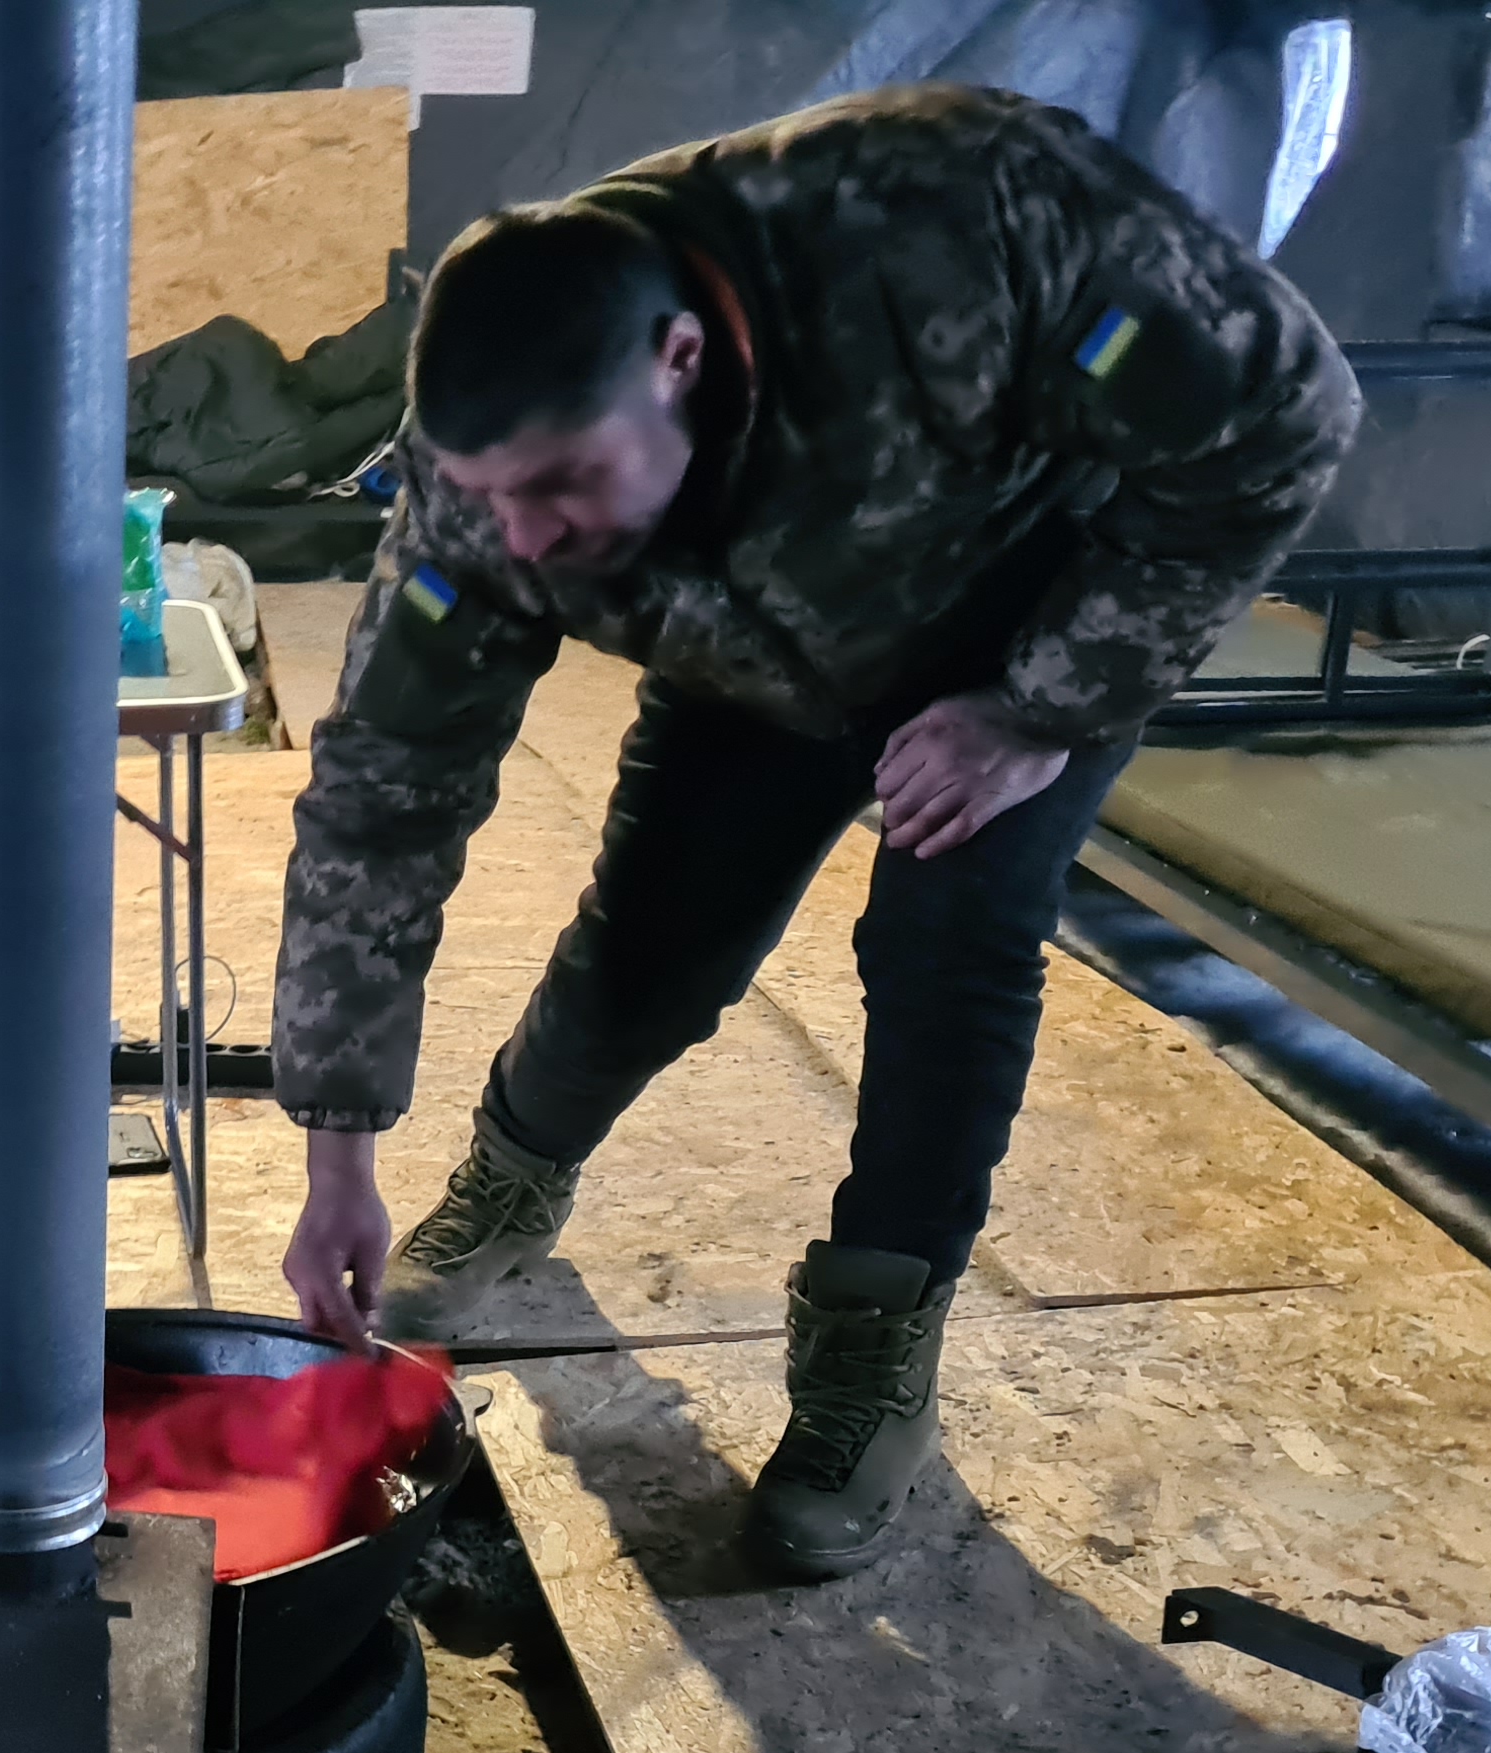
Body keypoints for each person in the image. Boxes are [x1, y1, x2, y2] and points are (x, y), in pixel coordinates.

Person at [275, 84, 1360, 1577]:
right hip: (752, 659)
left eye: (559, 489)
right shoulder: (493, 496)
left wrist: (1041, 705)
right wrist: (338, 1145)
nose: (522, 539)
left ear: (681, 359)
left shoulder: (961, 214)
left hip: (1015, 641)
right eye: (490, 501)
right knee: (649, 953)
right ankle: (512, 1175)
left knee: (949, 949)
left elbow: (1282, 414)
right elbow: (384, 789)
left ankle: (869, 1354)